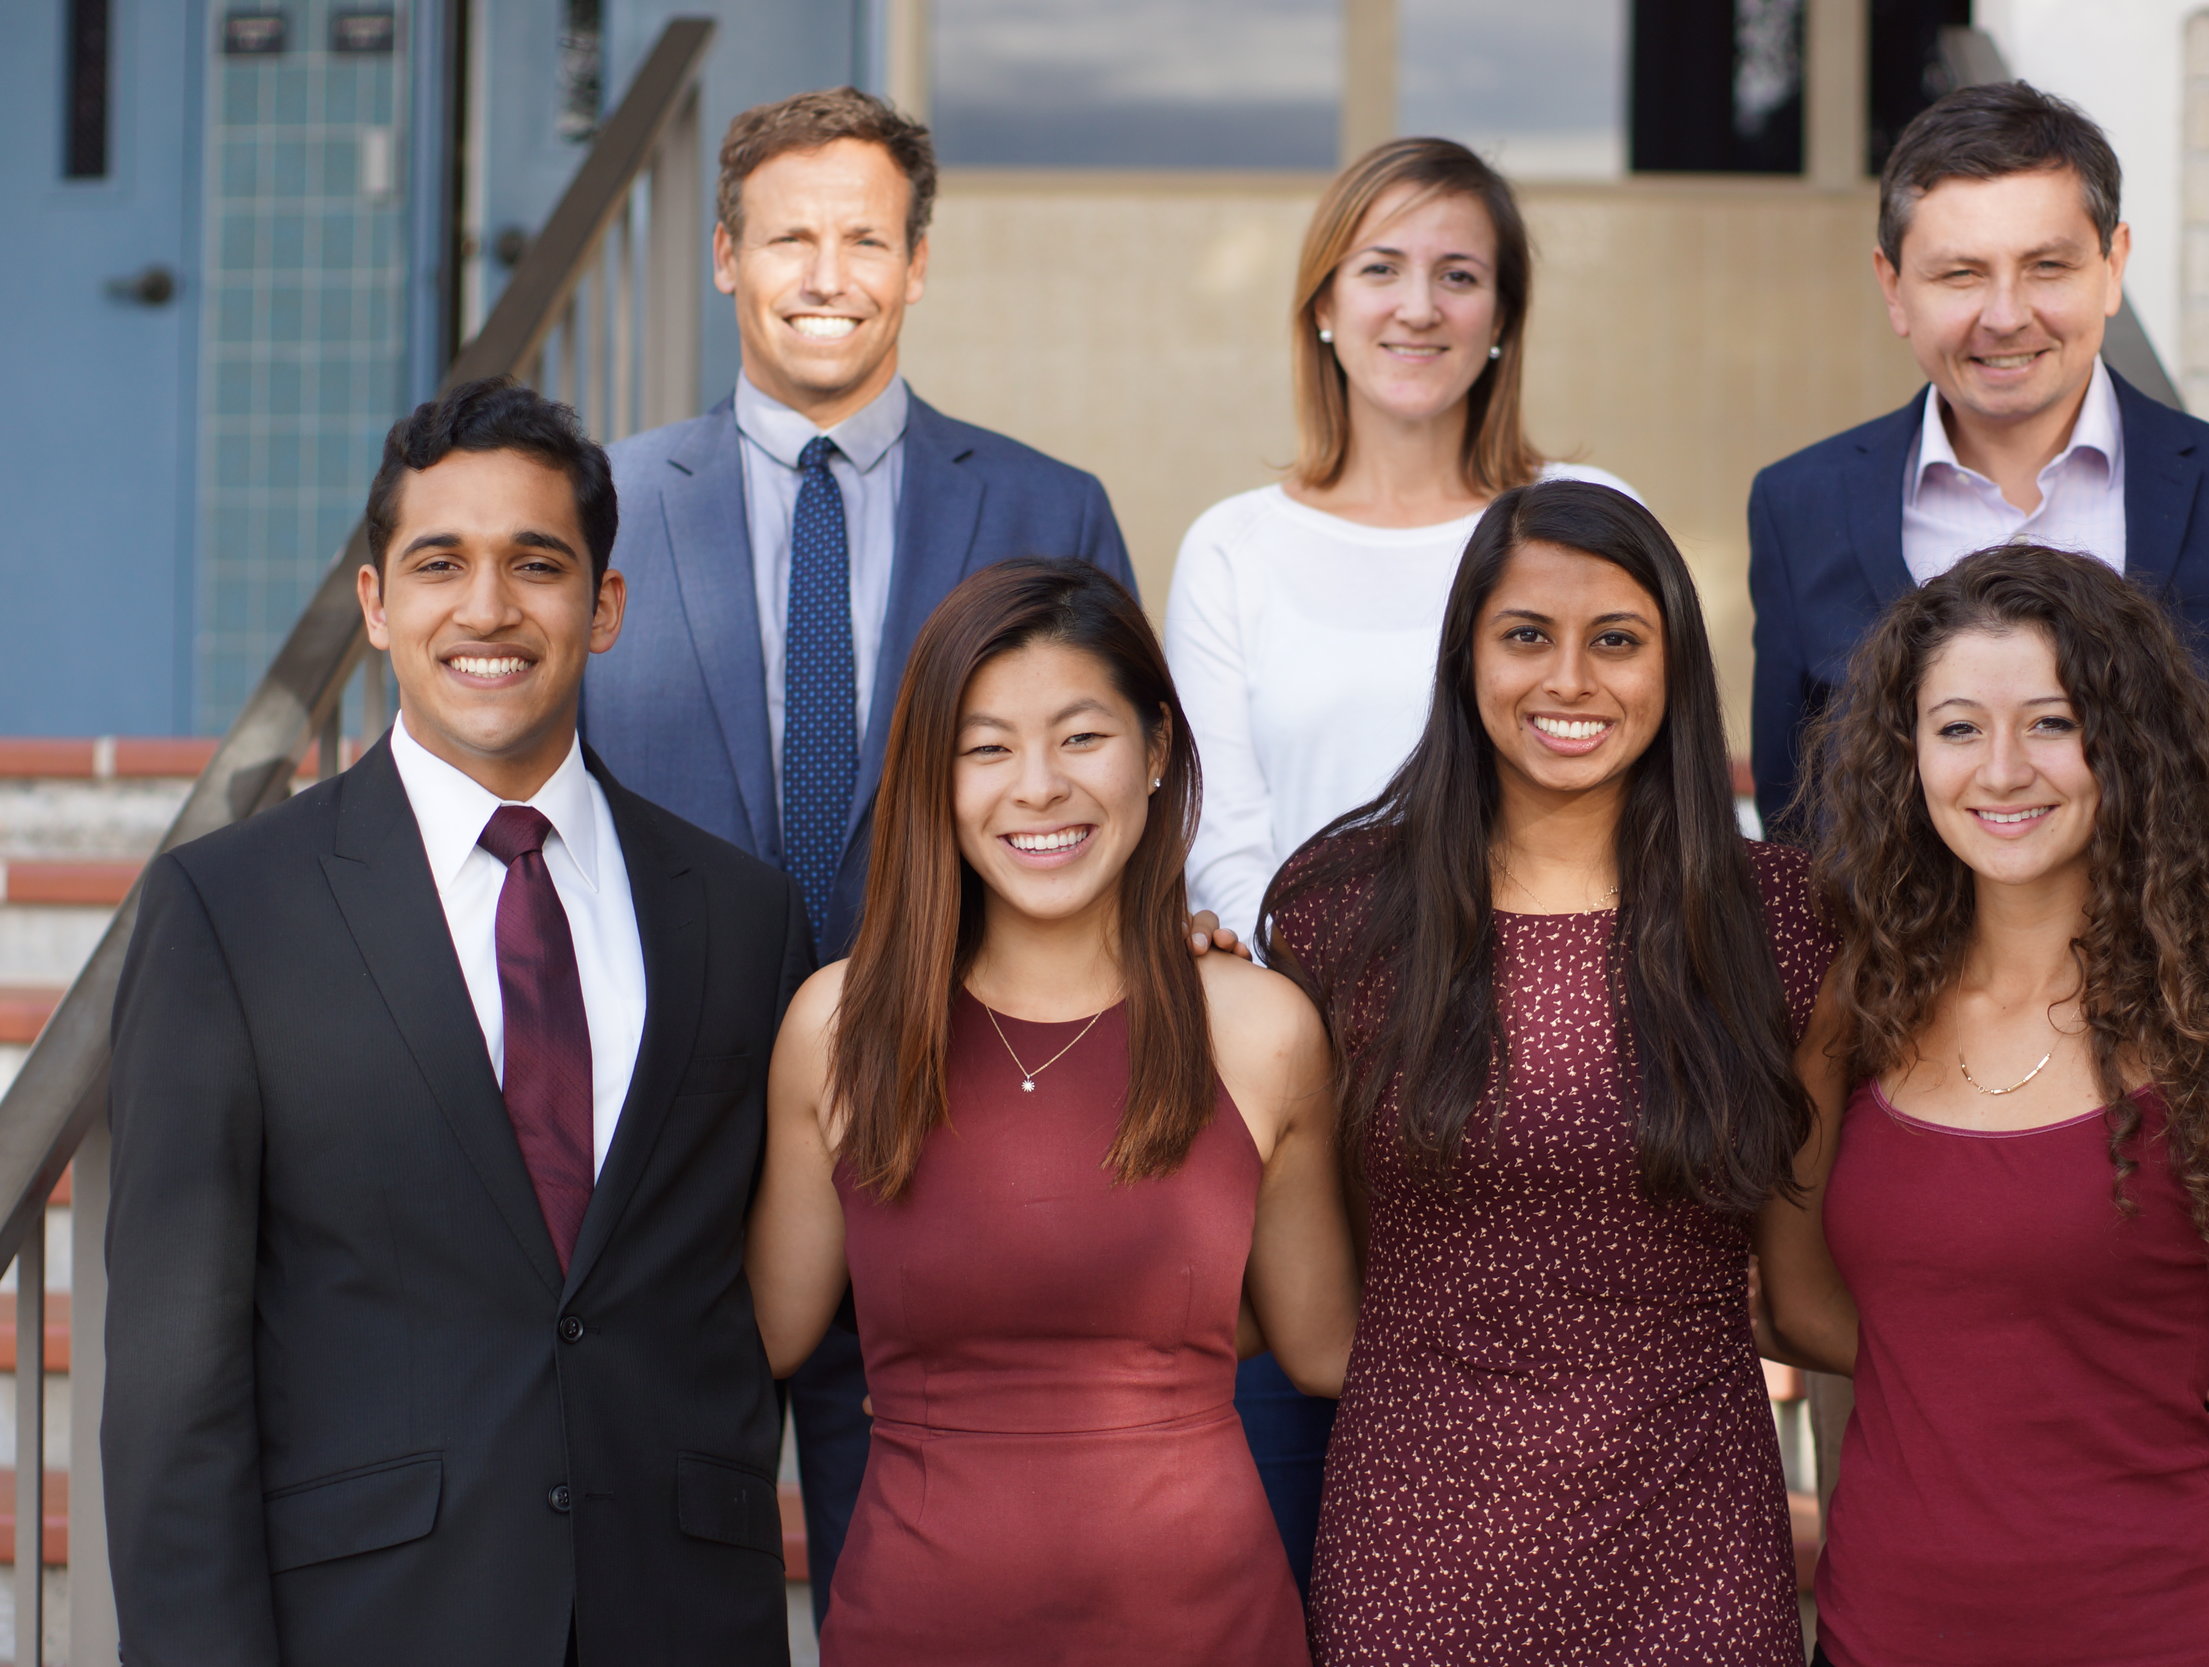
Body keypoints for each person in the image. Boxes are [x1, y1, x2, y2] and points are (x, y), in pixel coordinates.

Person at [103, 380, 806, 1666]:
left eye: (536, 564)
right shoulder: (231, 910)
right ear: (376, 605)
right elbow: (172, 1386)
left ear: (604, 609)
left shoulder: (744, 916)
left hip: (683, 1619)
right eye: (440, 563)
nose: (487, 608)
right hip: (372, 1624)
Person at [582, 87, 1135, 1604]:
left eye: (865, 239)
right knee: (652, 1600)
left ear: (918, 262)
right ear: (722, 255)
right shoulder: (606, 509)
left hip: (950, 1126)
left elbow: (1120, 789)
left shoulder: (1043, 508)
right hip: (664, 1141)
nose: (828, 274)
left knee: (931, 1593)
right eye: (790, 239)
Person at [1161, 135, 1635, 1574]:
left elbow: (1639, 779)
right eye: (1381, 269)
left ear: (1502, 319)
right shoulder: (1234, 548)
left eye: (1458, 274)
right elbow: (1220, 854)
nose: (1417, 306)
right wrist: (1369, 1014)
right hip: (1309, 1108)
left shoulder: (1575, 512)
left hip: (1547, 1114)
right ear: (1321, 303)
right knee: (1297, 1538)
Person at [1261, 479, 1832, 1664]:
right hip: (1421, 1542)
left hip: (1693, 1546)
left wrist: (2114, 1361)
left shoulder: (1778, 921)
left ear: (1673, 668)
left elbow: (1822, 1271)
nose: (1568, 679)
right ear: (1465, 653)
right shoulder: (1341, 910)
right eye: (1526, 634)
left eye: (1615, 640)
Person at [746, 559, 1356, 1665]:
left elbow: (1317, 1338)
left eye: (1082, 737)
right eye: (985, 748)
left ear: (1158, 748)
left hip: (1205, 1626)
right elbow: (771, 1329)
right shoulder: (836, 1029)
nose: (1037, 786)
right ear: (933, 776)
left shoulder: (1259, 1028)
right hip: (916, 1621)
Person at [1754, 544, 2209, 1666]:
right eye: (1959, 727)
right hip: (1881, 1634)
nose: (2003, 769)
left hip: (2157, 1629)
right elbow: (1792, 1300)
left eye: (2054, 722)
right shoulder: (1857, 1003)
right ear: (1907, 753)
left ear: (2125, 745)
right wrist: (1984, 1368)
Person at [1746, 80, 2209, 950]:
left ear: (2113, 266)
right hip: (1903, 1055)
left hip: (2174, 1057)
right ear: (1893, 287)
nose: (2005, 316)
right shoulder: (1797, 504)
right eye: (1960, 273)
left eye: (2048, 266)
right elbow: (1797, 817)